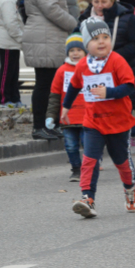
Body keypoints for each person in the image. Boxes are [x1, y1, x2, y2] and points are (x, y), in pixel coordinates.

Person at [63, 19, 135, 218]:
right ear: (86, 44)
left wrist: (110, 92)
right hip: (93, 122)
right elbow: (74, 86)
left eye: (105, 37)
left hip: (118, 122)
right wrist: (65, 107)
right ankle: (87, 198)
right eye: (96, 38)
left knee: (121, 161)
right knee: (89, 159)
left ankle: (130, 188)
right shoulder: (82, 65)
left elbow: (130, 85)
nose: (101, 42)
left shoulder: (116, 60)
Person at [15, 0, 78, 141]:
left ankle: (48, 125)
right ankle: (40, 126)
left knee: (49, 84)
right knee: (45, 84)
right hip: (45, 38)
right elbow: (51, 8)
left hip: (45, 37)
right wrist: (72, 23)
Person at [77, 0, 135, 146]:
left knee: (123, 107)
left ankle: (133, 136)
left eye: (104, 2)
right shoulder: (84, 19)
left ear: (113, 0)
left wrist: (114, 57)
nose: (100, 6)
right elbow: (77, 42)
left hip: (122, 70)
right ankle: (98, 144)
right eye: (96, 2)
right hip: (94, 72)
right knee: (97, 108)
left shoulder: (126, 17)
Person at [46, 33, 87, 181]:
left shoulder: (90, 68)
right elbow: (55, 96)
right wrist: (51, 115)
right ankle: (76, 170)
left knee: (89, 146)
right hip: (68, 118)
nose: (75, 53)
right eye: (72, 51)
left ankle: (90, 168)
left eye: (79, 50)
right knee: (70, 146)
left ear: (86, 51)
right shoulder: (62, 71)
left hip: (88, 118)